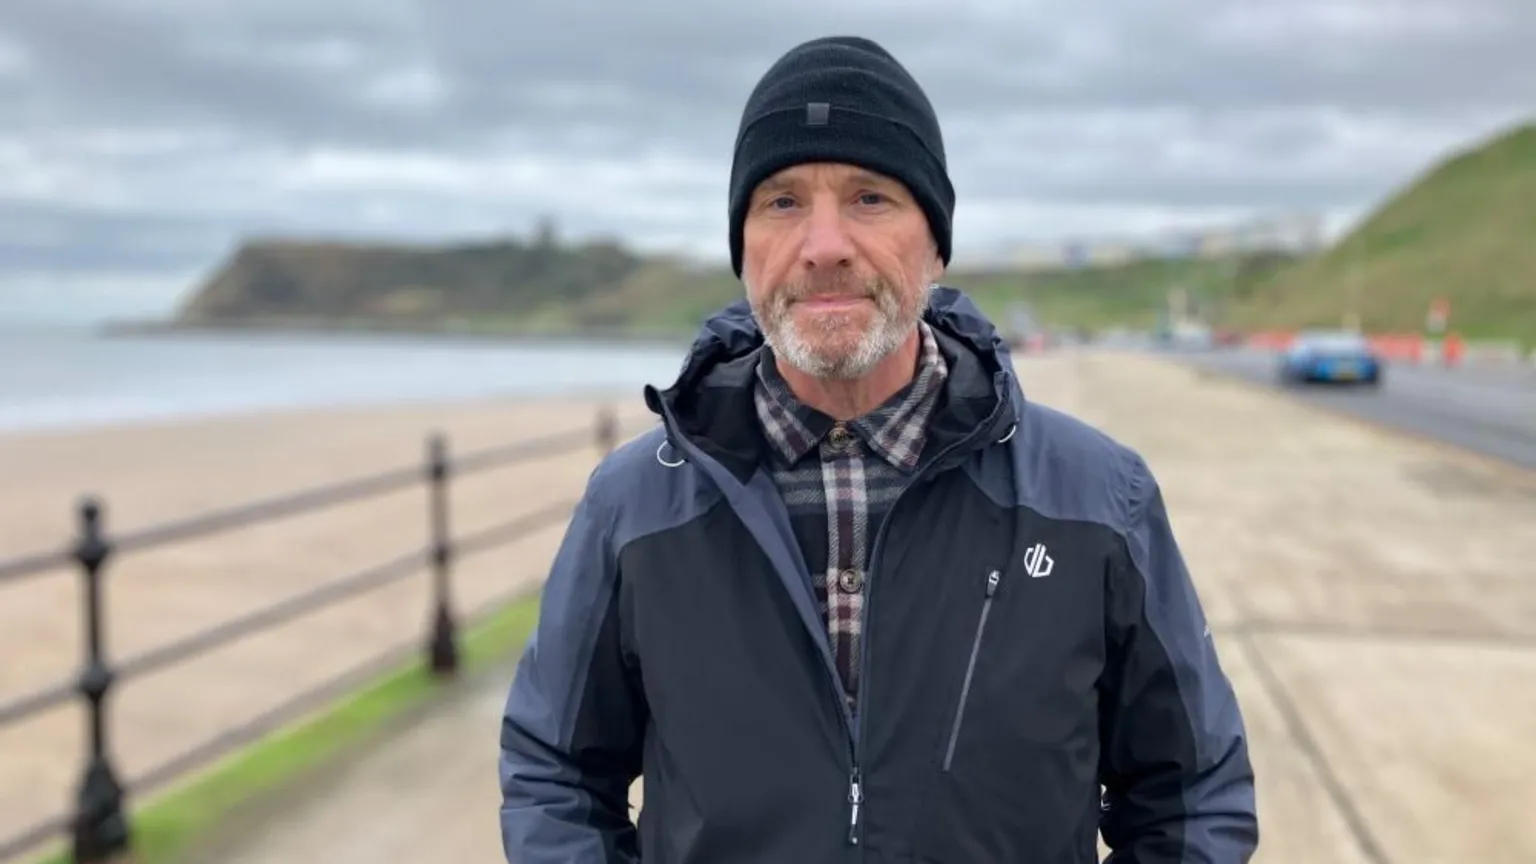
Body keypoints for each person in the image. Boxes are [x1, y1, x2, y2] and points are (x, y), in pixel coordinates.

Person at [498, 34, 1259, 863]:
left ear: (935, 244)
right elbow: (556, 775)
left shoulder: (1097, 496)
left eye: (869, 198)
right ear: (744, 249)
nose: (824, 245)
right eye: (782, 202)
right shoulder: (633, 505)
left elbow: (1192, 795)